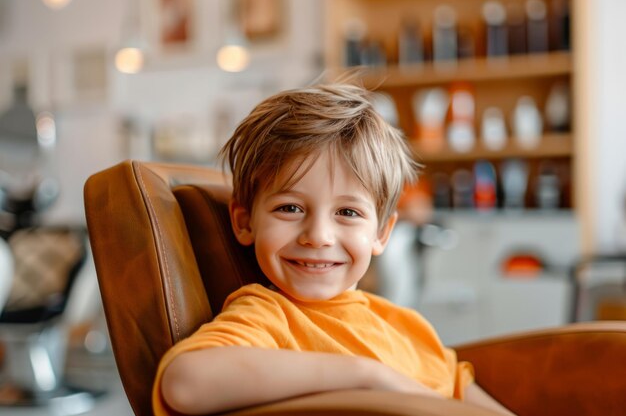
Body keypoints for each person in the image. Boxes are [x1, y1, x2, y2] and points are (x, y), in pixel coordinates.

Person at [152, 83, 514, 415]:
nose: (318, 236)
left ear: (382, 233)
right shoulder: (268, 317)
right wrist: (366, 376)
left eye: (347, 212)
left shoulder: (407, 328)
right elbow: (184, 383)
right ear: (245, 222)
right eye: (290, 208)